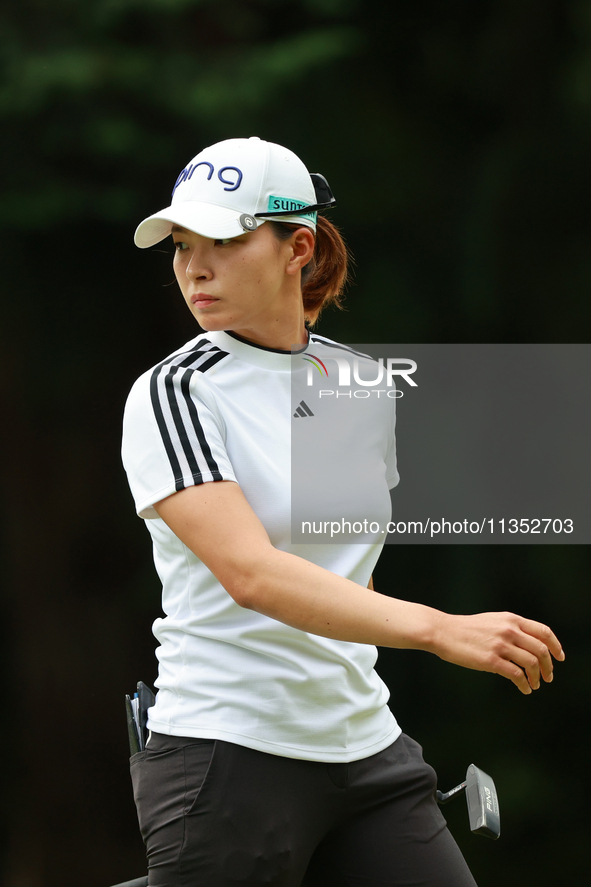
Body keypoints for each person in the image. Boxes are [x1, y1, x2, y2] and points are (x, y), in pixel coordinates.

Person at [121, 136, 564, 887]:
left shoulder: (355, 382)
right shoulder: (174, 392)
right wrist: (440, 628)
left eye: (223, 242)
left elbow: (328, 559)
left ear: (297, 245)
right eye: (183, 245)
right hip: (227, 751)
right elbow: (254, 573)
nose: (194, 267)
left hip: (364, 747)